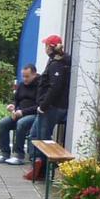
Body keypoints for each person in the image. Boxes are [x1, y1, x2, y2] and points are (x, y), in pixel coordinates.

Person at [24, 34, 70, 178]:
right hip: (47, 106)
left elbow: (54, 88)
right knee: (34, 135)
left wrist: (43, 106)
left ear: (50, 48)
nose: (44, 49)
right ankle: (37, 163)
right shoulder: (54, 62)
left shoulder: (58, 64)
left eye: (45, 46)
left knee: (44, 138)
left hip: (51, 107)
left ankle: (44, 170)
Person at [0, 64, 40, 165]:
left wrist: (23, 112)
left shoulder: (40, 86)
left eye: (27, 76)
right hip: (19, 114)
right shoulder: (22, 85)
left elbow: (39, 106)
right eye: (23, 76)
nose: (24, 79)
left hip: (34, 116)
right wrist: (13, 106)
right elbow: (16, 100)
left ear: (34, 74)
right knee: (2, 123)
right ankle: (4, 153)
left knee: (21, 123)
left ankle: (19, 155)